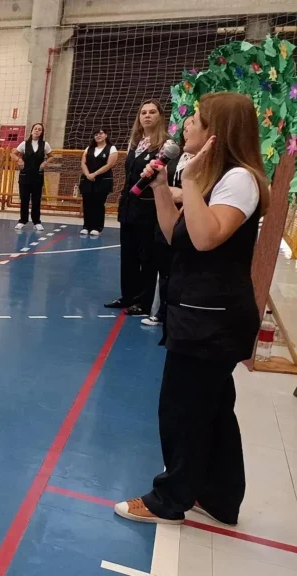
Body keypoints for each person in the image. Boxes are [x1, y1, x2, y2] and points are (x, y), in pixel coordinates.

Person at [114, 92, 268, 528]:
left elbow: (205, 238)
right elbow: (175, 235)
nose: (186, 125)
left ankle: (170, 499)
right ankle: (218, 496)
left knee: (182, 410)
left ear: (217, 132)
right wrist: (162, 187)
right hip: (196, 312)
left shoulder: (239, 180)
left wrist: (194, 183)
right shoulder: (215, 179)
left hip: (213, 319)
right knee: (213, 409)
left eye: (196, 119)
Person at [105, 100, 170, 316]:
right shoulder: (136, 142)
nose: (147, 116)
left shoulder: (165, 146)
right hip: (129, 207)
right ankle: (128, 296)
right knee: (128, 255)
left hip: (149, 209)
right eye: (143, 112)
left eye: (152, 112)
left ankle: (144, 301)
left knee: (147, 257)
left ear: (160, 116)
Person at [144, 117, 195, 328]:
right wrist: (164, 189)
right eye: (186, 126)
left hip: (189, 219)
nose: (188, 129)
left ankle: (177, 312)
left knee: (181, 268)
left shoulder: (205, 162)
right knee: (163, 267)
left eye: (193, 124)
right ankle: (162, 310)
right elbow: (164, 184)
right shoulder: (175, 156)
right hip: (167, 217)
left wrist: (182, 194)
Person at [79, 128, 119, 237]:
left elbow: (109, 164)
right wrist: (88, 174)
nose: (98, 136)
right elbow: (83, 163)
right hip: (87, 180)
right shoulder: (89, 148)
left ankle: (97, 227)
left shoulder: (111, 148)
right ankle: (86, 226)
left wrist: (94, 174)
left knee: (98, 204)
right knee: (87, 203)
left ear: (106, 135)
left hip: (102, 181)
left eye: (101, 133)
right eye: (96, 134)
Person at [12, 123, 52, 232]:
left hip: (37, 176)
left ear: (41, 132)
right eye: (35, 129)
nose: (37, 130)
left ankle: (37, 222)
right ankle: (22, 220)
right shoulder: (24, 144)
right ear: (32, 130)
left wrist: (45, 163)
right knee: (24, 199)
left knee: (36, 200)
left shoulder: (45, 144)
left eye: (39, 129)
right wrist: (19, 160)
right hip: (25, 175)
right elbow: (13, 154)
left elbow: (51, 156)